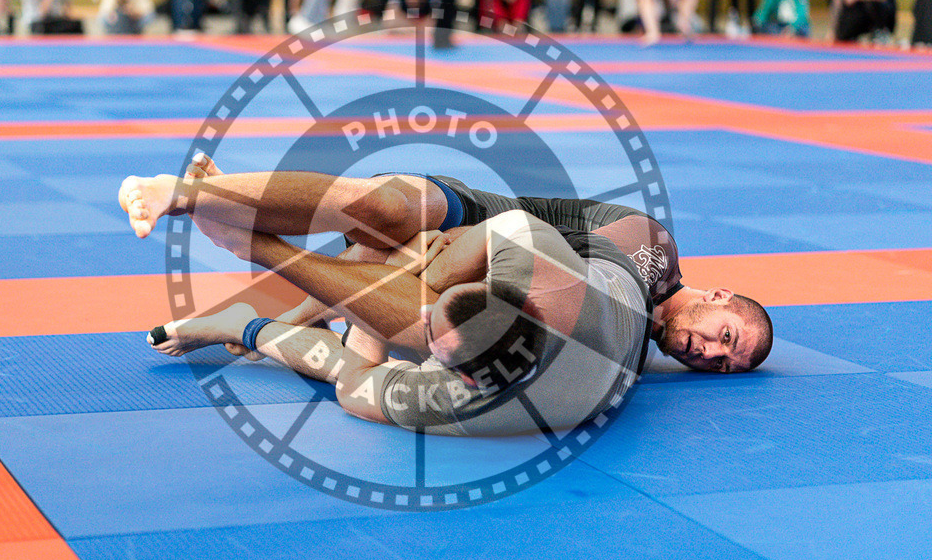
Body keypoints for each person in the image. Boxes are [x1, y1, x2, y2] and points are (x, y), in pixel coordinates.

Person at [118, 157, 773, 380]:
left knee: (362, 366)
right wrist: (451, 246)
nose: (713, 352)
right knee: (384, 207)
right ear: (719, 295)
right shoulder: (653, 254)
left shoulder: (626, 347)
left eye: (724, 363)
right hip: (485, 216)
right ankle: (188, 194)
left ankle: (246, 323)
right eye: (728, 335)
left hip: (471, 275)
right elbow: (533, 250)